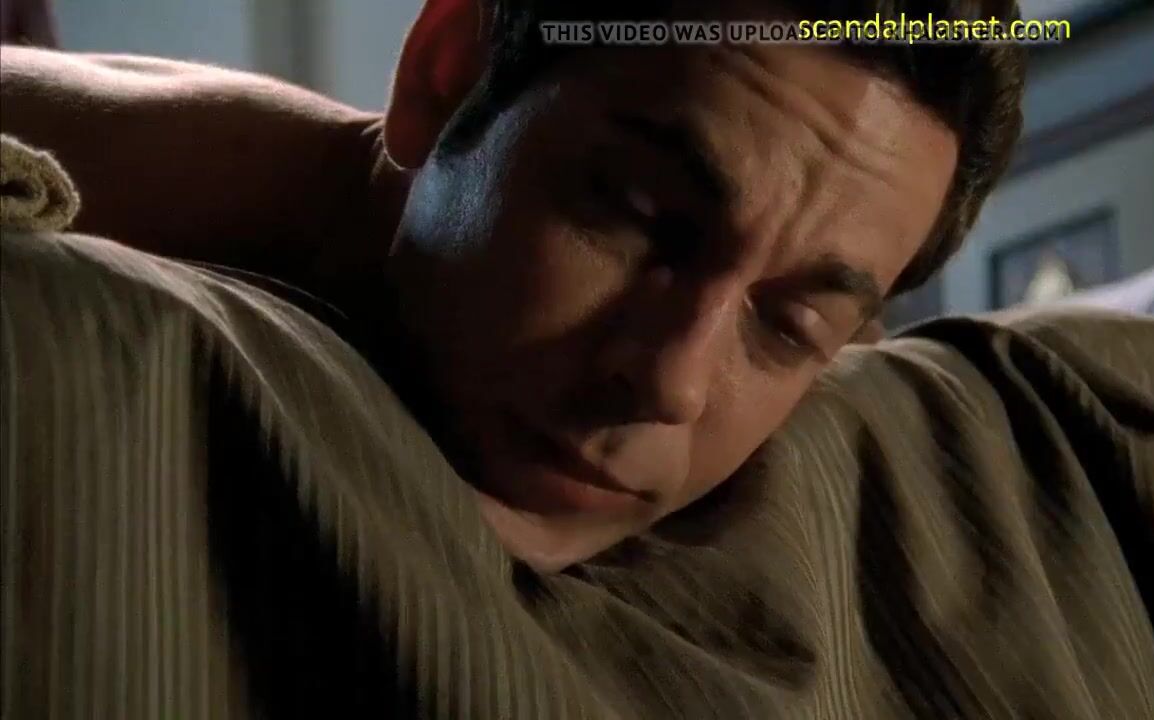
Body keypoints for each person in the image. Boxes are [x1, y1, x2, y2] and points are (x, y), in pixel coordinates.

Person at [1, 0, 1023, 570]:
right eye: (636, 212)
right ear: (444, 76)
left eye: (790, 323)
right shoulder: (98, 194)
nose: (669, 381)